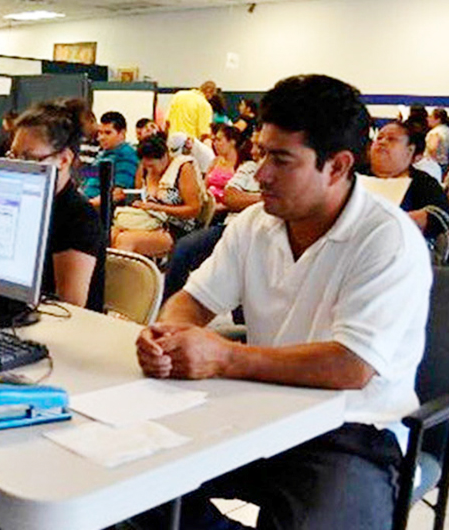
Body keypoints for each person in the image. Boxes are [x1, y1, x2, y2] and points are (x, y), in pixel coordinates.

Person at [136, 74, 431, 529]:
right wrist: (167, 335)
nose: (262, 174)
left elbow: (350, 367)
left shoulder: (387, 239)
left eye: (281, 159)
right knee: (127, 481)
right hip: (259, 406)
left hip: (352, 430)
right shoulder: (256, 222)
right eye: (260, 154)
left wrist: (224, 357)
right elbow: (193, 300)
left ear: (336, 166)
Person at [10, 98, 105, 311]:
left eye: (29, 158)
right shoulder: (24, 206)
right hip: (22, 319)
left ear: (64, 160)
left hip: (64, 329)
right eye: (14, 156)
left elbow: (68, 306)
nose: (17, 167)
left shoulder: (78, 217)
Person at [163, 128, 263, 300]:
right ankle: (167, 306)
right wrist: (266, 199)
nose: (253, 151)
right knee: (183, 248)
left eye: (259, 147)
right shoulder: (247, 167)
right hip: (229, 225)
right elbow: (230, 197)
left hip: (256, 231)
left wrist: (244, 199)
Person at [112, 135, 205, 257]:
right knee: (110, 235)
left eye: (152, 166)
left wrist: (159, 208)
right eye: (145, 165)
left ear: (165, 156)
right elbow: (139, 193)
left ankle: (124, 275)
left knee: (125, 240)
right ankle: (110, 275)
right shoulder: (144, 168)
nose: (149, 169)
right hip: (149, 220)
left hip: (175, 227)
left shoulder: (183, 168)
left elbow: (194, 209)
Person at [369, 120, 449, 238]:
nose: (382, 142)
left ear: (410, 150)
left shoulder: (423, 182)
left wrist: (397, 220)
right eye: (379, 138)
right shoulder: (354, 176)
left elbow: (440, 216)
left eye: (391, 139)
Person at [82, 111, 139, 207]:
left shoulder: (126, 155)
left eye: (107, 133)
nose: (101, 137)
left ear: (122, 133)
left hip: (95, 209)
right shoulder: (101, 154)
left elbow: (118, 194)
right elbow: (86, 180)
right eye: (100, 133)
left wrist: (86, 206)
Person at [205, 125, 244, 204]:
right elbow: (204, 185)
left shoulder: (240, 165)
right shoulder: (215, 161)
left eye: (219, 140)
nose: (215, 144)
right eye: (214, 140)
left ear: (232, 142)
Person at [426, 108, 449, 176]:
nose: (428, 119)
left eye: (430, 117)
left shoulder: (435, 132)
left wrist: (431, 163)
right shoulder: (447, 130)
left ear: (438, 119)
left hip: (435, 164)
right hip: (445, 163)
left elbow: (432, 148)